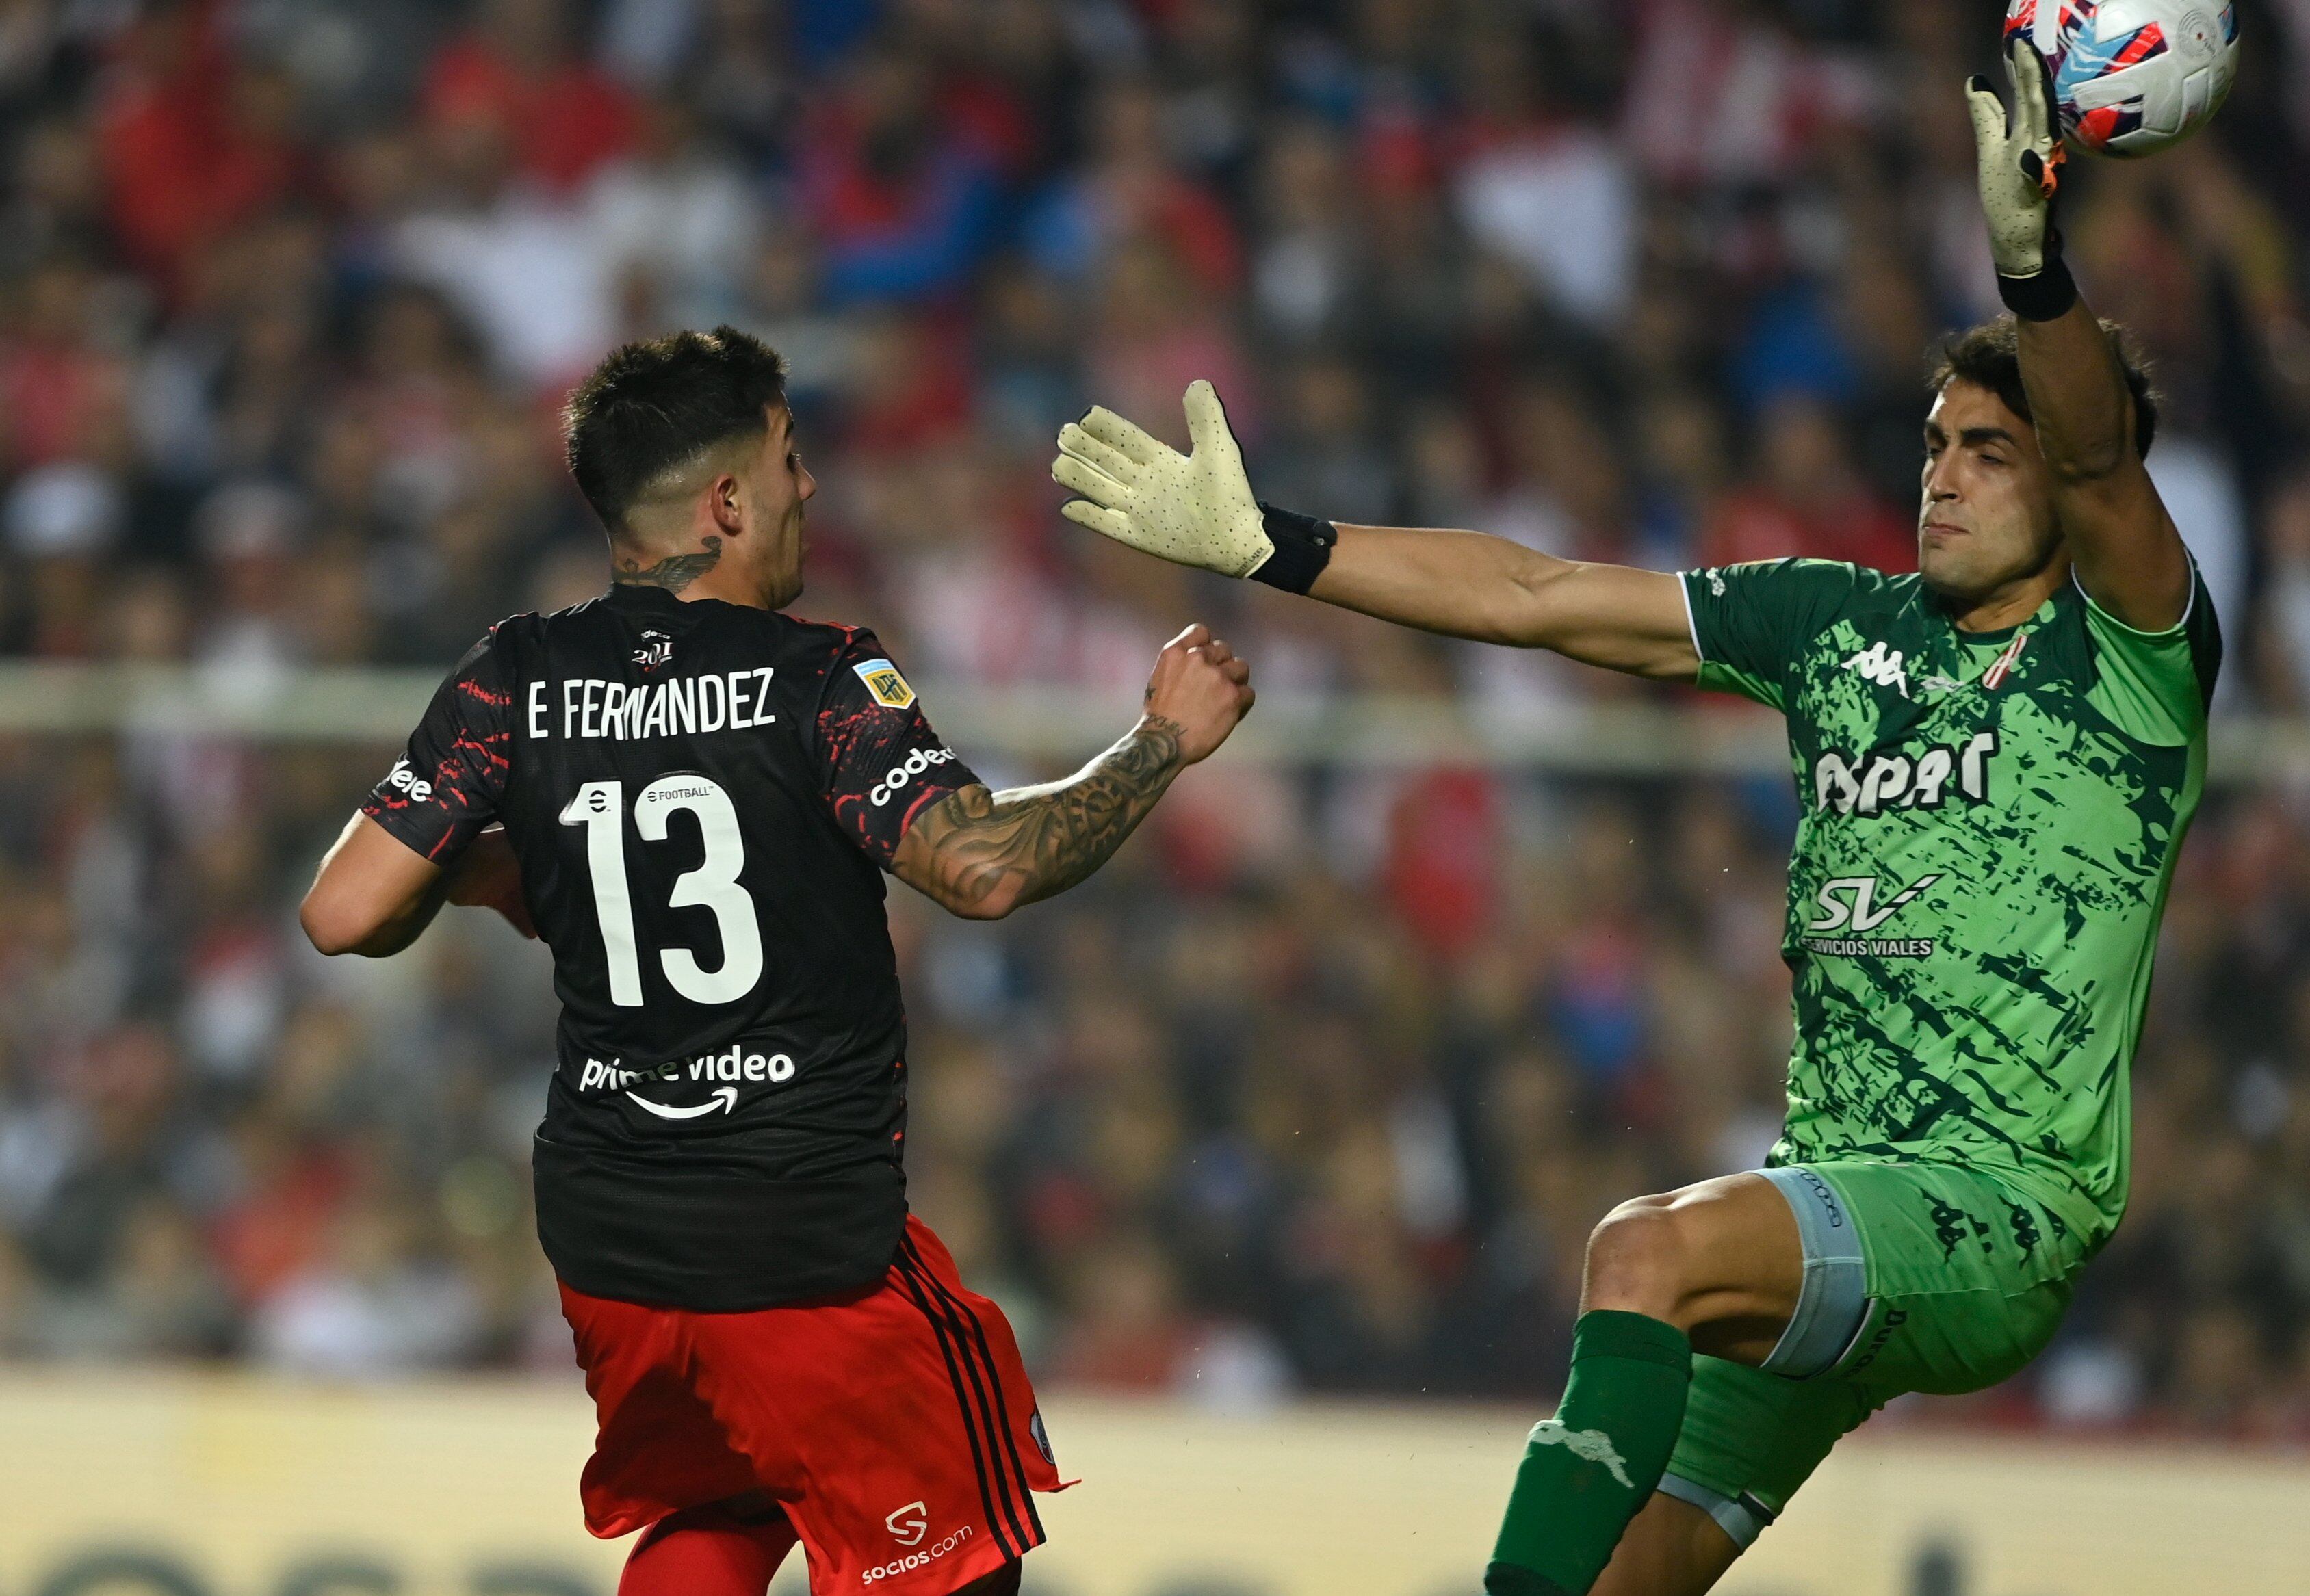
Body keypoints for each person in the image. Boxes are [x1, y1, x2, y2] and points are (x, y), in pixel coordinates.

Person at [1049, 44, 2214, 1596]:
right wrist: (1274, 543)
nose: (1939, 475)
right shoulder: (1833, 625)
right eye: (1931, 443)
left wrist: (2028, 268)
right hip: (1837, 1203)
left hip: (1990, 1212)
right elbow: (1540, 595)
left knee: (1643, 1249)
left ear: (2064, 492)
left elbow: (2097, 448)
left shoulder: (2128, 658)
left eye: (1983, 454)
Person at [299, 326, 1254, 1596]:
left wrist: (494, 874)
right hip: (802, 1242)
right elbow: (986, 868)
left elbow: (344, 910)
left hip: (612, 1241)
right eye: (792, 459)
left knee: (724, 1499)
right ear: (726, 499)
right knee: (956, 1565)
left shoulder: (515, 674)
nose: (811, 488)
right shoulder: (819, 678)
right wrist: (1157, 745)